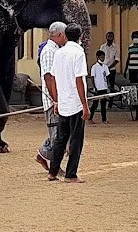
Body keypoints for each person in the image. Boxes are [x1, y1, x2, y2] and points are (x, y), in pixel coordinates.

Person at [48, 23, 89, 183]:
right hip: (75, 103)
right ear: (80, 36)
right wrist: (85, 105)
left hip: (63, 102)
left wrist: (56, 100)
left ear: (65, 35)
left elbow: (53, 78)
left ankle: (53, 171)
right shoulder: (78, 53)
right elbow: (79, 80)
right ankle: (71, 174)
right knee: (76, 139)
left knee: (60, 139)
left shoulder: (59, 53)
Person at [35, 22, 67, 172]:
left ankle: (44, 154)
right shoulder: (48, 51)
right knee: (57, 135)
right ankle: (55, 166)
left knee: (61, 132)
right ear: (59, 35)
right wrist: (55, 100)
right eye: (65, 35)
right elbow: (49, 77)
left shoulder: (57, 50)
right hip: (52, 100)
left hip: (59, 98)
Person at [89, 50, 110, 124]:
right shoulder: (94, 67)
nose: (103, 58)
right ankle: (90, 118)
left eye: (103, 57)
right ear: (97, 57)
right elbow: (92, 77)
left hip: (104, 87)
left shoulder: (105, 66)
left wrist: (108, 86)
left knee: (103, 105)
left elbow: (107, 77)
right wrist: (95, 87)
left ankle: (104, 119)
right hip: (98, 88)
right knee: (95, 104)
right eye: (101, 57)